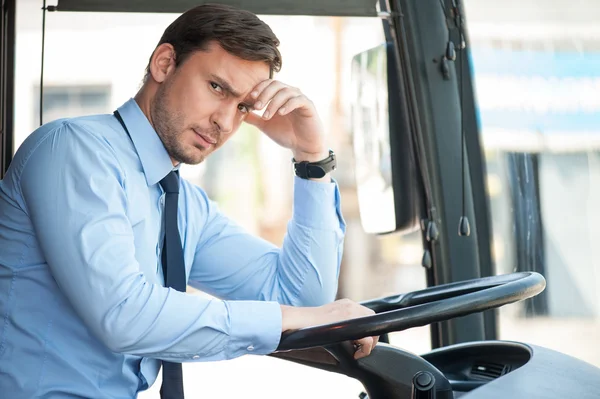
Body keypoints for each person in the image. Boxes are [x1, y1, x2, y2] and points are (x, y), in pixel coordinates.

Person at [0, 4, 379, 398]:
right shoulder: (76, 152)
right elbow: (124, 315)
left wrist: (311, 156)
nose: (226, 122)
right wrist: (292, 317)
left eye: (243, 107)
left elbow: (303, 299)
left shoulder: (182, 204)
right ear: (165, 64)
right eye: (217, 88)